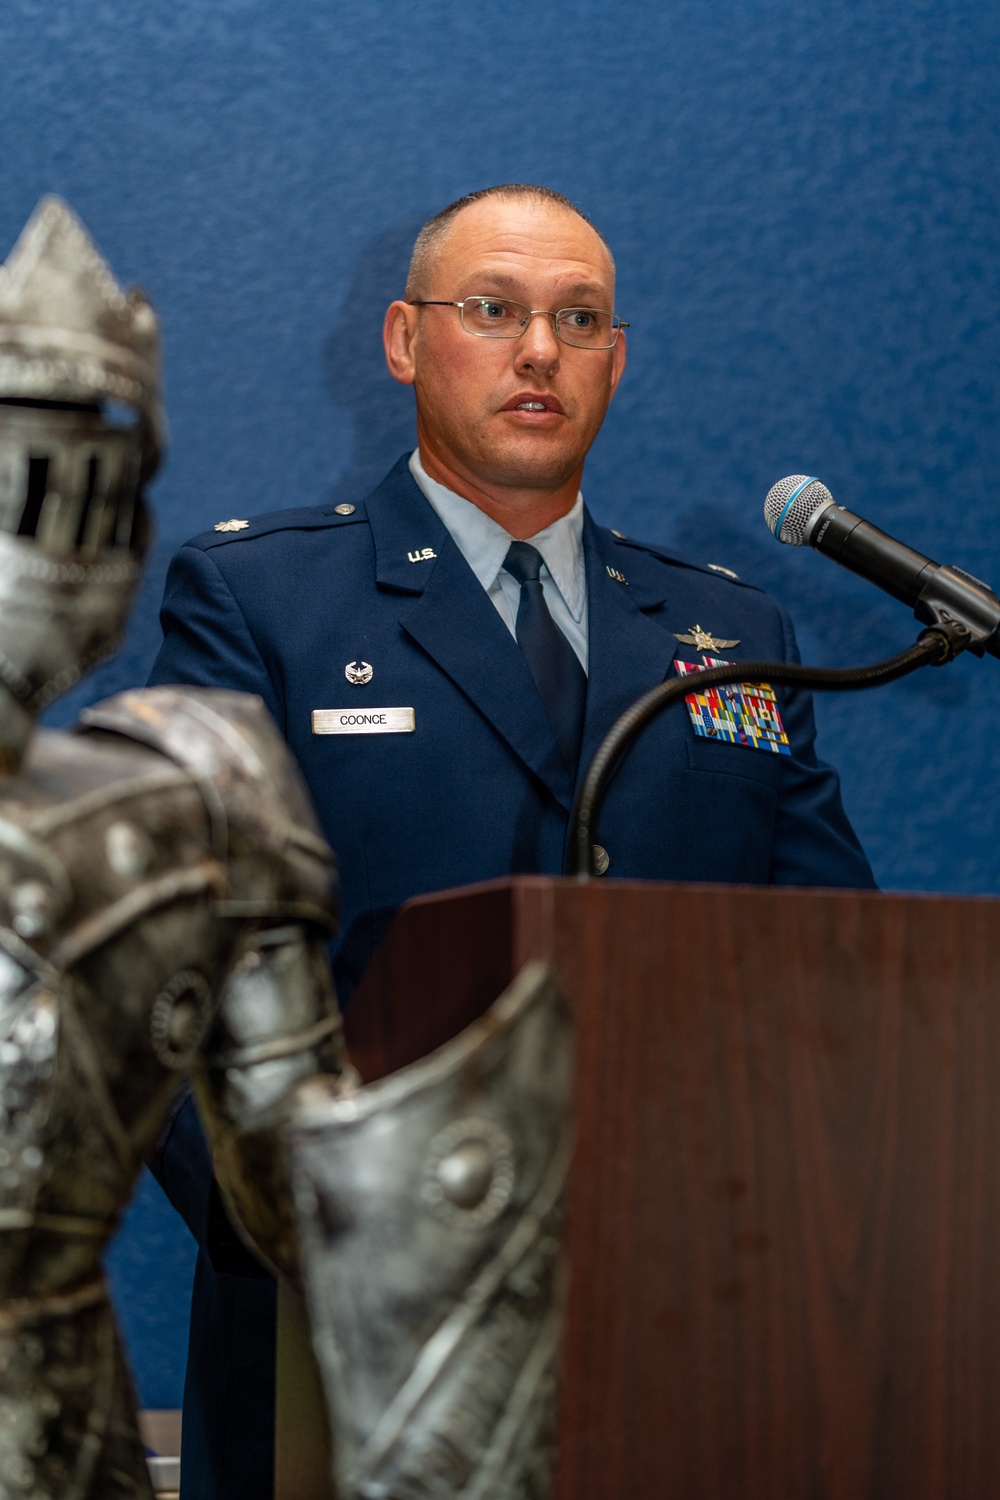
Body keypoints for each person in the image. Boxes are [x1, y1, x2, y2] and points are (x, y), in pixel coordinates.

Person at [148, 183, 876, 1499]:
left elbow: (831, 976)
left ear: (618, 358)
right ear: (404, 340)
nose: (540, 350)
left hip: (681, 1334)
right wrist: (316, 1244)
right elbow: (174, 980)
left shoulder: (729, 633)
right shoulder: (265, 602)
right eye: (494, 310)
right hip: (349, 1347)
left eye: (579, 319)